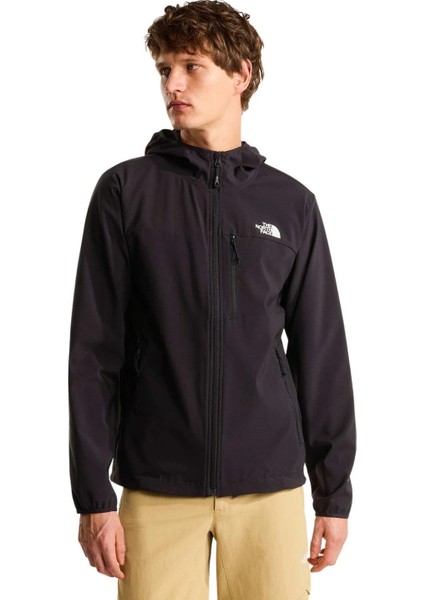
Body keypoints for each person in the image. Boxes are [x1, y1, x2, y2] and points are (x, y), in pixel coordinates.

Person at [68, 1, 356, 598]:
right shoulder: (125, 191)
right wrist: (94, 497)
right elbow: (94, 353)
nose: (172, 84)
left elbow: (320, 352)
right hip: (155, 485)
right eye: (164, 69)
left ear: (240, 74)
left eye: (191, 66)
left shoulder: (291, 204)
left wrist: (334, 493)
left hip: (270, 487)